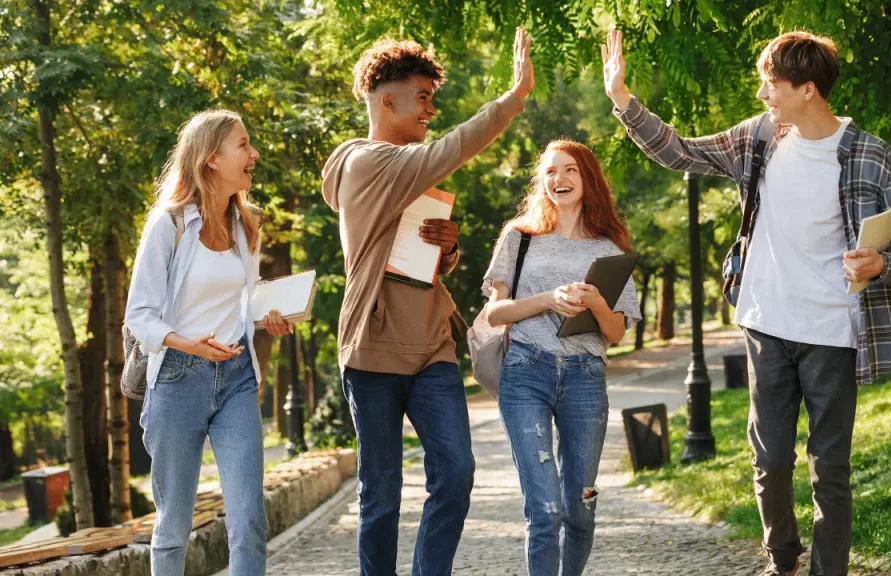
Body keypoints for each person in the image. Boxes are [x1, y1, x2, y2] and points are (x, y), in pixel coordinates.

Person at [602, 29, 891, 576]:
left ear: (807, 89)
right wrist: (623, 101)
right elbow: (681, 151)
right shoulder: (761, 138)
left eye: (771, 84)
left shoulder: (871, 155)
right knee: (771, 460)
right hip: (766, 324)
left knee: (830, 469)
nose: (763, 96)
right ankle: (782, 558)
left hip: (833, 332)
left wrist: (881, 264)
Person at [319, 28, 534, 576]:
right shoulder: (368, 164)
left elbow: (419, 260)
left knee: (456, 473)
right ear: (386, 102)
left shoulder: (408, 171)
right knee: (382, 494)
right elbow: (452, 148)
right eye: (422, 98)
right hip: (373, 349)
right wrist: (511, 101)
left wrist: (449, 247)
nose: (431, 111)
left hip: (432, 344)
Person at [125, 109, 292, 576]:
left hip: (237, 379)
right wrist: (188, 344)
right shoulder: (169, 225)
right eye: (244, 144)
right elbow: (139, 316)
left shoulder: (246, 226)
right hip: (178, 380)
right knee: (174, 525)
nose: (253, 153)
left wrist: (269, 316)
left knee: (249, 519)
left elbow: (243, 302)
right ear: (212, 157)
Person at [482, 139, 641, 576]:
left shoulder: (609, 247)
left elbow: (616, 331)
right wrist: (548, 299)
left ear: (587, 179)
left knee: (580, 507)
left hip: (585, 378)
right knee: (545, 508)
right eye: (550, 171)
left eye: (570, 170)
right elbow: (495, 313)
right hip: (525, 371)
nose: (559, 179)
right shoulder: (520, 237)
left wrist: (595, 303)